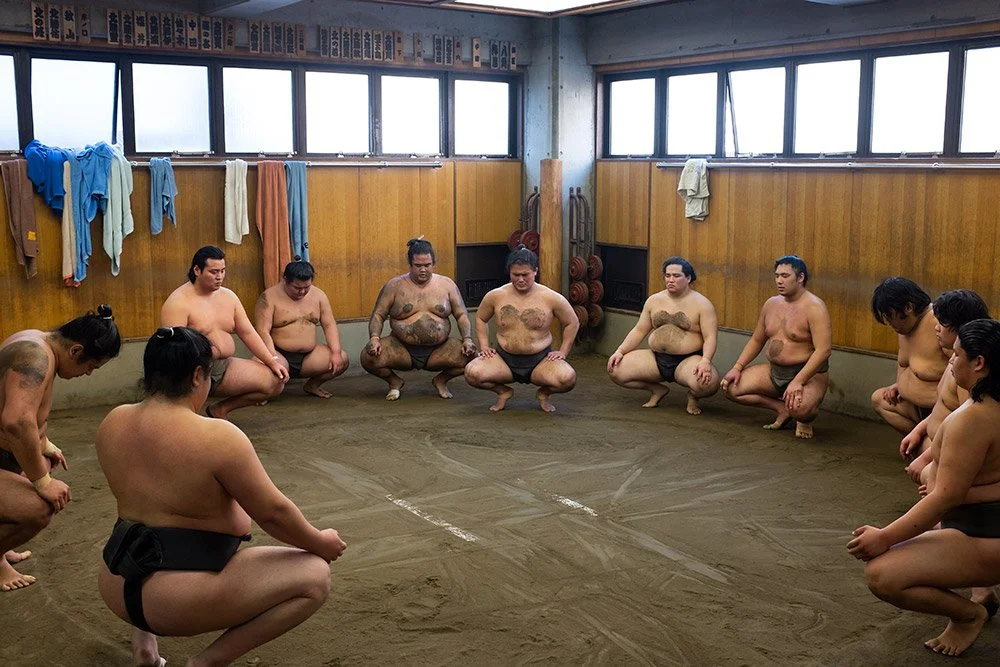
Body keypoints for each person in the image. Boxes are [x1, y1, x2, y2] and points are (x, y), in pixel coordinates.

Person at [97, 326, 347, 666]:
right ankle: (207, 663)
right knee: (315, 576)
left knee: (145, 522)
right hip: (175, 600)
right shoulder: (217, 436)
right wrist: (320, 542)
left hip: (116, 583)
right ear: (197, 376)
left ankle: (145, 647)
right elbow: (273, 513)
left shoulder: (113, 421)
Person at [848, 319, 1000, 657]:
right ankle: (982, 592)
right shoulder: (981, 406)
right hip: (976, 524)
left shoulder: (974, 419)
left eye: (956, 355)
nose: (950, 360)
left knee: (882, 575)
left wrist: (885, 536)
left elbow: (946, 497)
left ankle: (968, 615)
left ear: (979, 363)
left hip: (984, 535)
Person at [0, 305, 121, 591]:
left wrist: (43, 443)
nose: (88, 374)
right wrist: (42, 482)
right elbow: (16, 421)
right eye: (91, 367)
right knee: (40, 507)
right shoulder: (36, 357)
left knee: (37, 460)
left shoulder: (33, 339)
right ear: (76, 351)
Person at [161, 246, 289, 420]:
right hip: (192, 372)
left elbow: (247, 333)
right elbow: (173, 351)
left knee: (275, 381)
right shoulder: (178, 302)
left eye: (222, 271)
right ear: (197, 270)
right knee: (186, 415)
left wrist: (271, 362)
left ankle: (220, 409)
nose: (219, 276)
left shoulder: (229, 297)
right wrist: (198, 366)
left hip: (223, 366)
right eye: (213, 272)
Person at [721, 256, 832, 439]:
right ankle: (781, 409)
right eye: (777, 275)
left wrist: (798, 381)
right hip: (775, 372)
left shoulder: (815, 307)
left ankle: (803, 419)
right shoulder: (771, 304)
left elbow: (823, 350)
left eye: (785, 276)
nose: (779, 280)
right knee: (731, 387)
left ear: (800, 277)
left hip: (808, 375)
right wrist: (737, 367)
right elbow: (757, 340)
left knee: (801, 409)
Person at [465, 246, 578, 412]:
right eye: (515, 275)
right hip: (503, 360)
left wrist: (563, 351)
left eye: (525, 275)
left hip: (541, 361)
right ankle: (503, 391)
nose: (520, 279)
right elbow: (481, 318)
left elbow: (572, 322)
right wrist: (484, 346)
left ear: (535, 271)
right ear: (509, 272)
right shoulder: (496, 295)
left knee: (567, 379)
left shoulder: (551, 297)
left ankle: (544, 393)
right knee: (472, 373)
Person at [362, 238, 476, 400]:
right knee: (368, 357)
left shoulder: (447, 285)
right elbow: (378, 315)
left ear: (433, 263)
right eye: (418, 265)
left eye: (427, 265)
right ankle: (394, 382)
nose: (423, 270)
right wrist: (374, 338)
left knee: (472, 357)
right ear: (410, 264)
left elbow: (461, 315)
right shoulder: (394, 286)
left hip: (439, 349)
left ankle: (441, 380)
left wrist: (467, 339)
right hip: (401, 348)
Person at [607, 256, 720, 415]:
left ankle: (693, 397)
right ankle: (657, 390)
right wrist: (620, 351)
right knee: (615, 369)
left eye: (676, 276)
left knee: (708, 383)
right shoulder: (654, 300)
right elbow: (639, 330)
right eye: (667, 275)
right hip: (655, 358)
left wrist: (705, 361)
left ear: (688, 278)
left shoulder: (702, 304)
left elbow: (710, 337)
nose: (671, 280)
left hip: (688, 360)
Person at [901, 290, 989, 475]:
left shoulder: (969, 370)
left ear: (960, 327)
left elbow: (968, 428)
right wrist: (918, 430)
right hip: (938, 442)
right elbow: (945, 405)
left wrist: (928, 459)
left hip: (954, 451)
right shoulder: (956, 360)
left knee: (927, 476)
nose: (936, 328)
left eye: (942, 323)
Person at [254, 259, 349, 399]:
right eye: (297, 288)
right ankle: (264, 394)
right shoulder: (268, 297)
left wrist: (335, 352)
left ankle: (312, 385)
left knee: (342, 359)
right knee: (260, 367)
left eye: (307, 287)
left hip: (309, 357)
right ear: (285, 280)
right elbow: (262, 331)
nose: (302, 291)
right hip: (279, 353)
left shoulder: (319, 296)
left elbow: (329, 325)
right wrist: (272, 358)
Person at [871, 277, 949, 437]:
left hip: (940, 412)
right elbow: (910, 364)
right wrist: (899, 385)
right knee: (879, 399)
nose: (890, 324)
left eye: (890, 317)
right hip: (913, 406)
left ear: (908, 307)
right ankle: (921, 442)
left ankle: (929, 444)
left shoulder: (940, 324)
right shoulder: (905, 327)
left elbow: (961, 369)